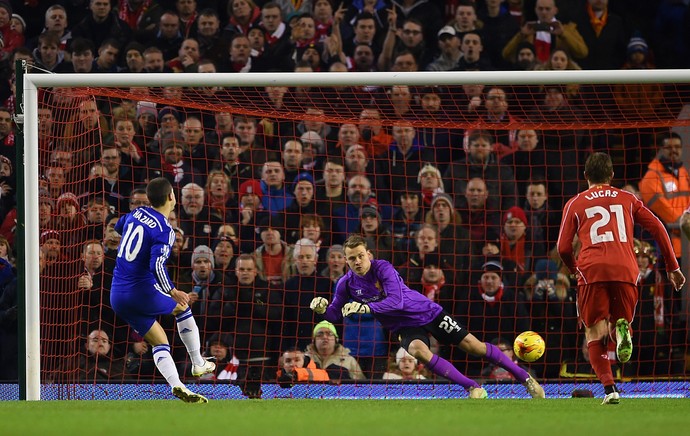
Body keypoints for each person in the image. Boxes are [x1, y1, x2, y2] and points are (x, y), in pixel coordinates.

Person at [310, 234, 545, 399]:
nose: (357, 262)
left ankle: (526, 379)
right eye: (351, 258)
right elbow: (334, 314)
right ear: (346, 260)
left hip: (427, 312)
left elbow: (396, 301)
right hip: (403, 326)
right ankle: (472, 387)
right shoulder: (345, 284)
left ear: (368, 254)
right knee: (418, 351)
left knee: (474, 347)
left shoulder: (383, 268)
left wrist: (366, 309)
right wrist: (323, 310)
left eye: (360, 255)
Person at [557, 152, 685, 405]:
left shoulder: (575, 202)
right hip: (626, 269)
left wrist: (574, 269)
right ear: (612, 175)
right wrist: (672, 266)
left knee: (594, 332)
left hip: (592, 270)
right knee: (619, 322)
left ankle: (610, 389)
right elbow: (658, 227)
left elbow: (562, 247)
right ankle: (621, 331)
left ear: (585, 176)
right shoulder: (628, 198)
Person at [110, 177, 216, 403]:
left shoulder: (137, 213)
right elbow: (156, 265)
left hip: (117, 295)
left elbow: (119, 226)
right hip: (139, 290)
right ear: (171, 197)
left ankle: (178, 385)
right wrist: (172, 290)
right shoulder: (164, 229)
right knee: (182, 307)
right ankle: (198, 363)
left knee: (160, 342)